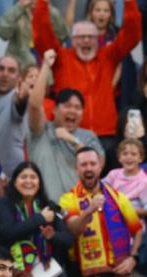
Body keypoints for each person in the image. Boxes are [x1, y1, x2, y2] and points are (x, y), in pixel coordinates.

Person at [35, 0, 142, 150]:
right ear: (72, 40)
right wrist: (42, 3)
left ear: (98, 40)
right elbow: (42, 34)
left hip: (106, 136)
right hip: (70, 134)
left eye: (91, 37)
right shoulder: (61, 58)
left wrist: (129, 3)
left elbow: (132, 33)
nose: (86, 41)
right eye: (81, 37)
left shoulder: (108, 56)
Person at [60, 147, 145, 277]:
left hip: (116, 276)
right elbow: (73, 230)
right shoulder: (67, 199)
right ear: (76, 169)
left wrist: (133, 258)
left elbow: (138, 230)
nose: (89, 168)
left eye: (93, 164)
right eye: (84, 165)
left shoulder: (118, 197)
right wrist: (89, 210)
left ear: (100, 167)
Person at [0, 161, 72, 277]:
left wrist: (52, 235)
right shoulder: (4, 205)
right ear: (14, 182)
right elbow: (7, 233)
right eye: (23, 177)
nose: (28, 181)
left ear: (39, 183)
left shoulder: (49, 206)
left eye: (33, 177)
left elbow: (68, 240)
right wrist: (40, 219)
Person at [28, 50, 105, 203]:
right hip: (44, 209)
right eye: (67, 106)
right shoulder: (40, 130)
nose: (72, 111)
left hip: (79, 209)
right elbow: (34, 105)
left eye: (77, 108)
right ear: (55, 109)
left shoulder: (88, 137)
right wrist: (45, 66)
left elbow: (97, 168)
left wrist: (72, 140)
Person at [0, 0, 70, 69]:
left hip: (45, 70)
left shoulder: (51, 12)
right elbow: (3, 33)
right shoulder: (17, 12)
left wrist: (46, 8)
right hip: (19, 70)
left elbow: (63, 36)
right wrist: (20, 7)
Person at [102, 138, 147, 218]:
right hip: (111, 218)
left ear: (140, 158)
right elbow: (100, 189)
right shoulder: (113, 174)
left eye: (133, 154)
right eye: (125, 154)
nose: (129, 157)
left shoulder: (144, 181)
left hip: (133, 222)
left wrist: (130, 211)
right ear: (119, 157)